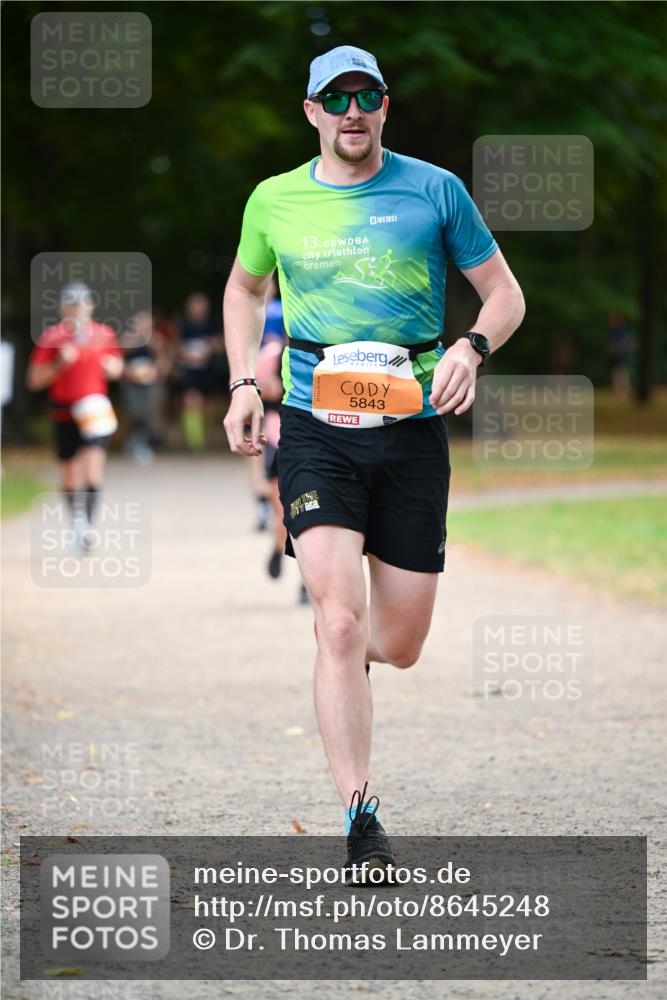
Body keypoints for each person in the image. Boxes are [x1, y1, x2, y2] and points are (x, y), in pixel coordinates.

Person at [223, 46, 525, 880]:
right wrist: (245, 379)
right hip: (317, 425)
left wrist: (471, 345)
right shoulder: (273, 199)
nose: (351, 111)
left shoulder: (434, 190)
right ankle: (362, 816)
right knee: (338, 617)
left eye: (366, 97)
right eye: (335, 98)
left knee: (396, 642)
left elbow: (505, 293)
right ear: (312, 110)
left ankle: (346, 658)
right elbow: (243, 290)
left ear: (384, 106)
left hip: (414, 425)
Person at [26, 282, 123, 548]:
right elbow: (34, 381)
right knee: (69, 474)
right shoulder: (52, 338)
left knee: (93, 469)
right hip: (64, 411)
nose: (78, 310)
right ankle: (76, 520)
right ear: (63, 308)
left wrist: (113, 368)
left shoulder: (103, 334)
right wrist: (59, 364)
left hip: (94, 410)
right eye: (72, 305)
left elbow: (116, 368)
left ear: (91, 305)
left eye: (82, 304)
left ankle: (88, 526)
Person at [176, 292, 221, 450]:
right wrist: (186, 355)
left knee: (207, 406)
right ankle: (195, 443)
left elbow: (221, 344)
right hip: (189, 371)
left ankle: (202, 433)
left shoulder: (212, 324)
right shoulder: (182, 324)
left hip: (208, 370)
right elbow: (175, 345)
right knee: (192, 401)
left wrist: (212, 346)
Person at [119, 310, 164, 464]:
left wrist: (156, 369)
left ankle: (142, 444)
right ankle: (133, 441)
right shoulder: (128, 339)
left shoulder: (155, 340)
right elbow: (121, 355)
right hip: (132, 383)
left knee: (148, 414)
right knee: (134, 413)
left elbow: (162, 359)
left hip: (149, 384)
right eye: (140, 322)